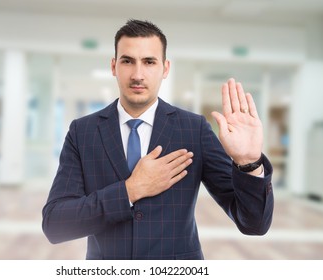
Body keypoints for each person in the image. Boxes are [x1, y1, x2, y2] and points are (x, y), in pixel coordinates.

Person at [42, 19, 274, 260]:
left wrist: (249, 163)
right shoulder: (83, 132)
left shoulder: (193, 129)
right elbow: (55, 223)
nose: (138, 74)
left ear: (165, 68)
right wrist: (130, 190)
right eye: (127, 61)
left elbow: (254, 224)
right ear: (114, 66)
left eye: (149, 62)